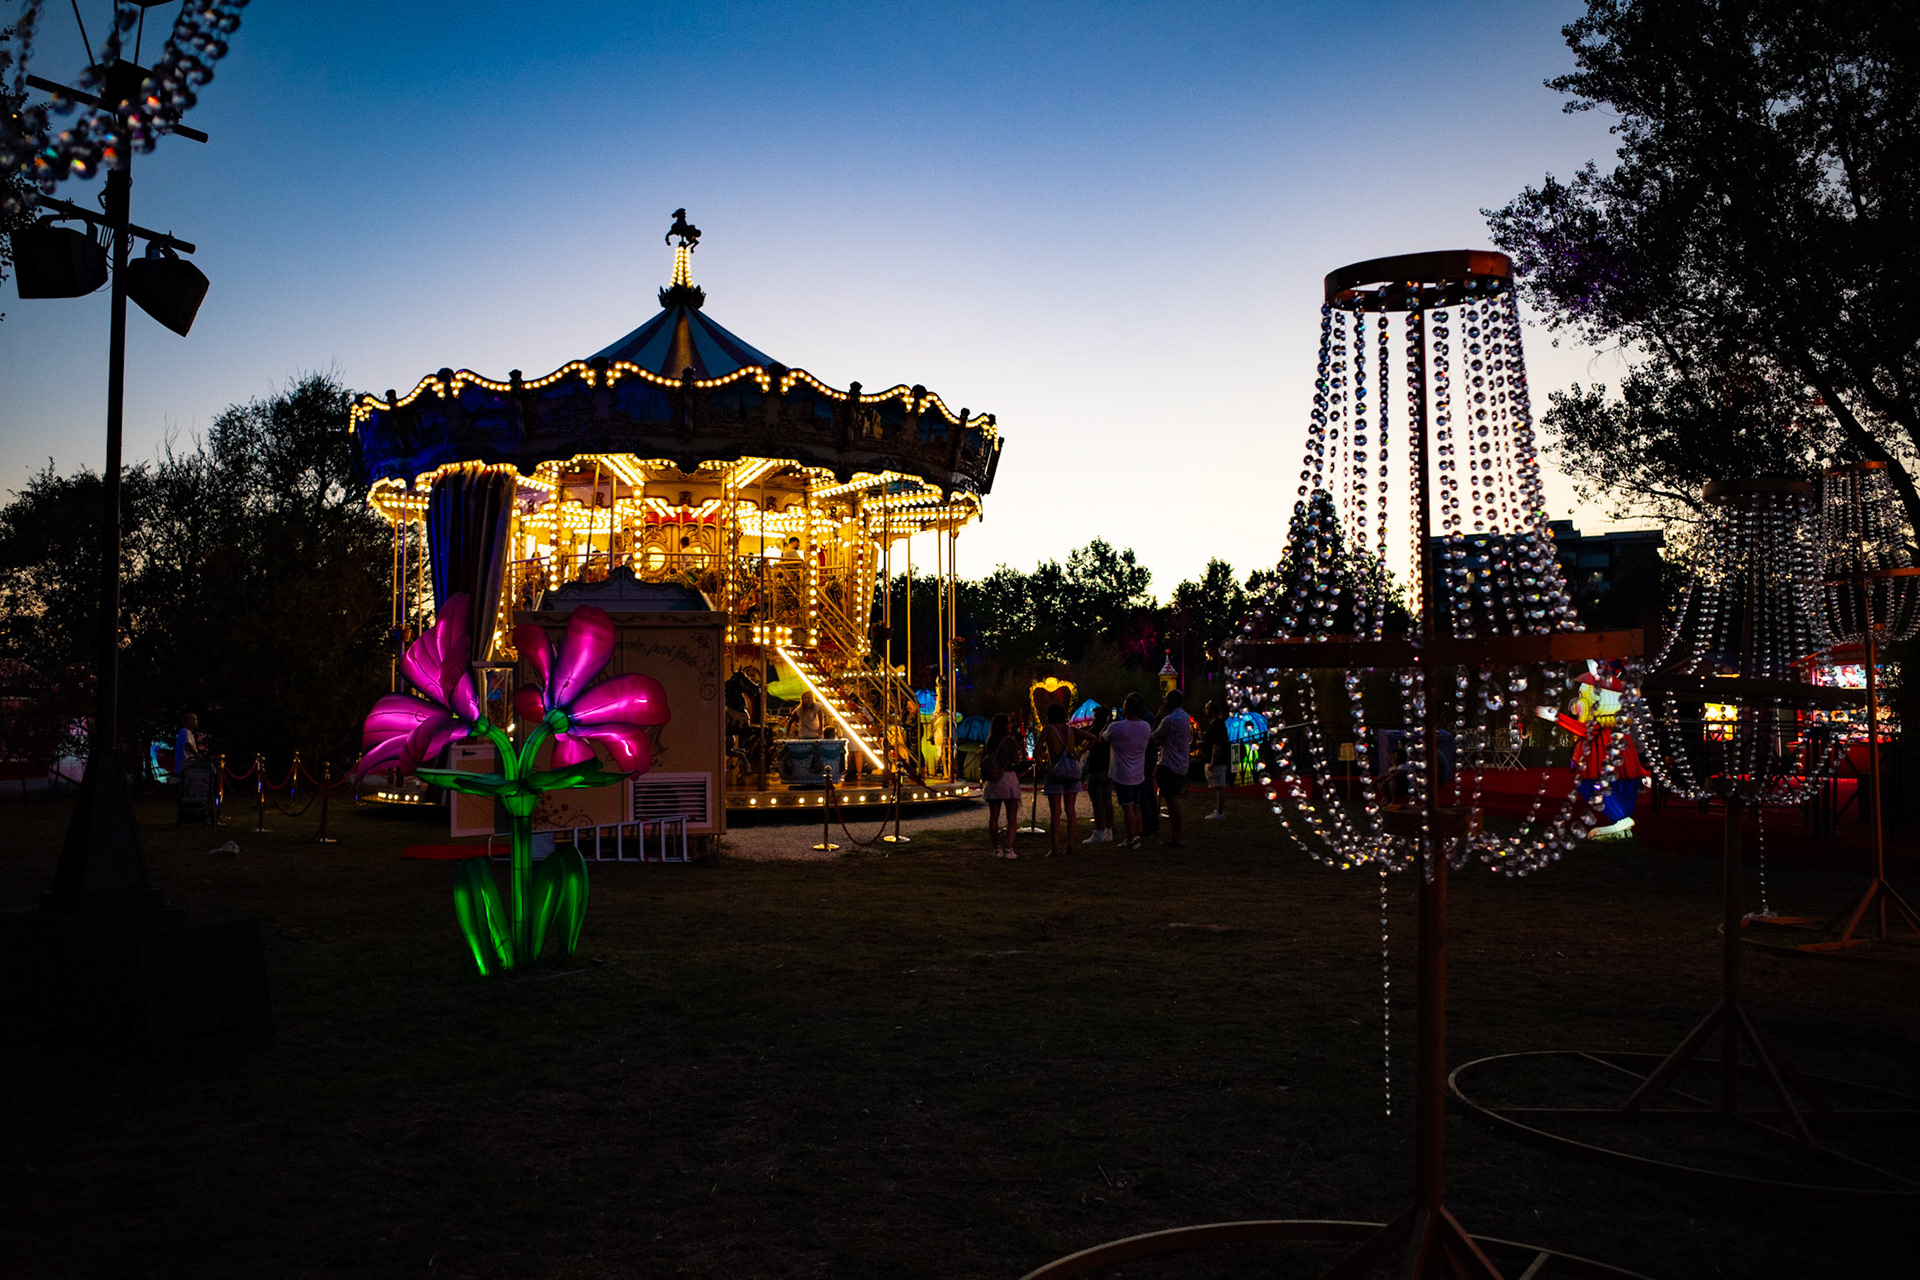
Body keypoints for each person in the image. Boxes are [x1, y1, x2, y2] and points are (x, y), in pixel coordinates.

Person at [1039, 702, 1090, 855]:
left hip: (1055, 771)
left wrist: (1043, 766)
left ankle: (1054, 847)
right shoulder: (1071, 731)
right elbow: (1093, 738)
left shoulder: (1048, 730)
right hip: (1072, 772)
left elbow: (1036, 750)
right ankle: (1071, 845)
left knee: (1055, 812)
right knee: (1071, 811)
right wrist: (1080, 752)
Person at [1103, 693, 1152, 848]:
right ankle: (1136, 835)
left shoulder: (1116, 727)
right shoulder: (1146, 726)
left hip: (1122, 773)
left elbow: (1102, 739)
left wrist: (1107, 724)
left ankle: (1131, 837)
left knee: (1127, 806)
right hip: (1138, 772)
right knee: (1137, 805)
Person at [1151, 688, 1193, 846]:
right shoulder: (1185, 717)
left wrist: (1158, 715)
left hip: (1169, 763)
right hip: (1182, 763)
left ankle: (1176, 835)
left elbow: (1154, 735)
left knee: (1171, 800)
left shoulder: (1169, 720)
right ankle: (1177, 834)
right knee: (1173, 799)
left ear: (1172, 701)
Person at [980, 713, 1025, 858]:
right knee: (1011, 817)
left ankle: (996, 848)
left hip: (993, 781)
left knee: (994, 817)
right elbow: (1016, 762)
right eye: (1009, 723)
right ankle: (1009, 849)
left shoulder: (990, 742)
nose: (1011, 725)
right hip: (1008, 778)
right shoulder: (1011, 742)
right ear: (1005, 725)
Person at [1082, 706, 1115, 844]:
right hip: (1108, 768)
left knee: (1097, 802)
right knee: (1108, 801)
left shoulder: (1095, 732)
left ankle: (1099, 831)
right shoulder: (1110, 731)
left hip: (1096, 769)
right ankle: (1109, 830)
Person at [1202, 701, 1231, 819]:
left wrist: (1213, 760)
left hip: (1218, 760)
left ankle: (1220, 811)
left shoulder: (1217, 724)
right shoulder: (1215, 723)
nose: (1205, 712)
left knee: (1220, 785)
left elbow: (1217, 743)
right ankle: (1219, 810)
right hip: (1217, 759)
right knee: (1218, 785)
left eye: (1207, 709)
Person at [172, 712, 204, 778]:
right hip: (186, 766)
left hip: (186, 766)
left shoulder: (187, 733)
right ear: (189, 721)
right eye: (195, 720)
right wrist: (197, 755)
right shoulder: (185, 732)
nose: (197, 722)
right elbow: (187, 745)